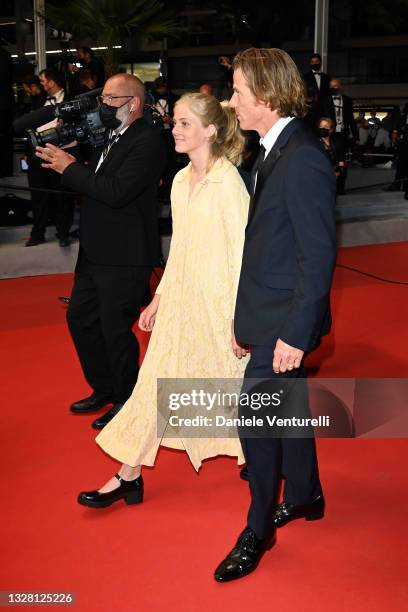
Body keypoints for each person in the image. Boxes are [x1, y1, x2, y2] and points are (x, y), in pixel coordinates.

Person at [74, 93, 250, 510]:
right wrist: (160, 297)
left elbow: (245, 255)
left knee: (233, 385)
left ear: (209, 130)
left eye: (185, 123)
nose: (175, 129)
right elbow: (182, 248)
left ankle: (263, 454)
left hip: (220, 304)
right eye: (174, 122)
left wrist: (241, 318)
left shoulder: (228, 183)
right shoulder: (177, 180)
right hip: (182, 300)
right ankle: (128, 475)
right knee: (156, 383)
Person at [214, 47, 336, 582]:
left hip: (286, 321)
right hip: (269, 314)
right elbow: (270, 247)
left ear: (263, 95)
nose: (231, 100)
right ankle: (306, 494)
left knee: (256, 422)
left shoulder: (302, 156)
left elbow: (318, 253)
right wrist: (250, 322)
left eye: (237, 91)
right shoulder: (271, 149)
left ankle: (259, 526)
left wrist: (292, 333)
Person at [35, 74, 167, 428]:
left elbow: (116, 191)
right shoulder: (111, 135)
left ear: (133, 104)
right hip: (95, 252)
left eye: (110, 100)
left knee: (115, 330)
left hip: (125, 255)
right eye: (102, 99)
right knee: (80, 320)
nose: (102, 106)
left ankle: (127, 399)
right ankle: (105, 387)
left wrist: (71, 168)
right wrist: (62, 158)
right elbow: (92, 178)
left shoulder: (148, 140)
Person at [25, 68, 74, 247]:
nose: (41, 83)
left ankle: (63, 233)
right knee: (38, 196)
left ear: (52, 82)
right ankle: (37, 234)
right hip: (37, 155)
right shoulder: (38, 100)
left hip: (60, 153)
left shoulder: (70, 99)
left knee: (62, 196)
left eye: (43, 80)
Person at [320, 78, 358, 148]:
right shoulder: (324, 101)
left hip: (344, 132)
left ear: (340, 87)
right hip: (330, 133)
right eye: (331, 86)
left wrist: (355, 135)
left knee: (342, 154)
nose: (333, 88)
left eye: (335, 86)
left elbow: (351, 118)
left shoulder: (348, 100)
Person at [318, 117, 346, 195]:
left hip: (336, 176)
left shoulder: (336, 142)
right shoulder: (316, 143)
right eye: (321, 127)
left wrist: (339, 171)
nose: (323, 129)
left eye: (326, 127)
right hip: (322, 176)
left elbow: (341, 159)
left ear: (331, 129)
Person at [0, 41, 14, 178]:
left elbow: (3, 77)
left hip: (3, 104)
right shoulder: (5, 55)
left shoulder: (3, 56)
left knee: (4, 136)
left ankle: (5, 169)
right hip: (4, 103)